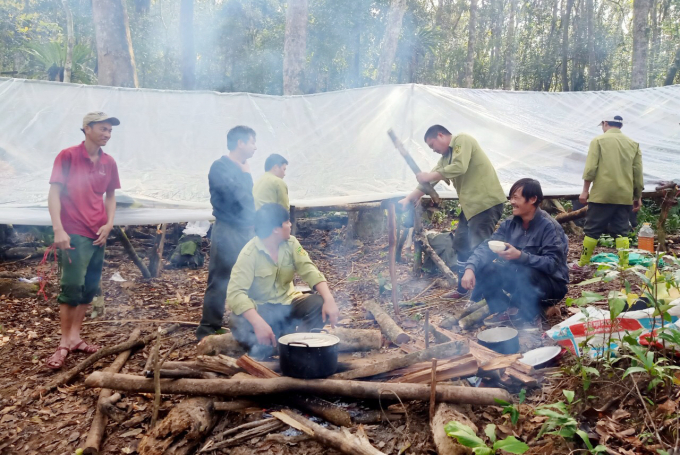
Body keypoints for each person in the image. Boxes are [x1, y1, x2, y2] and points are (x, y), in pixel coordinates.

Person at [46, 112, 121, 369]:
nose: (107, 134)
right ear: (87, 128)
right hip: (74, 229)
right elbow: (54, 193)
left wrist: (109, 224)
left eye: (110, 130)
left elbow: (110, 196)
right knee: (72, 286)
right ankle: (64, 342)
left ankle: (76, 337)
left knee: (89, 287)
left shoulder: (108, 162)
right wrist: (58, 229)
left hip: (98, 231)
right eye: (103, 129)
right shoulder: (67, 156)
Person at [399, 125, 507, 299]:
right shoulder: (446, 157)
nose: (433, 150)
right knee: (461, 245)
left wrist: (429, 176)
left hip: (485, 203)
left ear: (440, 135)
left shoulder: (462, 140)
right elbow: (429, 181)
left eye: (432, 145)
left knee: (479, 250)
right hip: (470, 207)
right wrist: (409, 198)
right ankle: (463, 290)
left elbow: (459, 167)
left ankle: (484, 294)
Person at [227, 203, 340, 357]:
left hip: (288, 306)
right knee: (237, 320)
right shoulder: (249, 254)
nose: (290, 224)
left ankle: (299, 346)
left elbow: (309, 269)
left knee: (318, 304)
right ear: (275, 229)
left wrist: (329, 299)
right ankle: (271, 346)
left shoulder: (292, 244)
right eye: (286, 222)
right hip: (263, 312)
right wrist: (257, 322)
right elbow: (235, 293)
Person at [461, 178, 569, 324]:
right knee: (485, 268)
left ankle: (526, 314)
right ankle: (503, 310)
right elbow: (486, 247)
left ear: (532, 199)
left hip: (550, 285)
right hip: (520, 280)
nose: (511, 201)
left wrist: (521, 256)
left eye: (516, 197)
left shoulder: (549, 226)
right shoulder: (510, 223)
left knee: (527, 270)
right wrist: (470, 268)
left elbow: (552, 264)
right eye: (511, 197)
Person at [196, 126, 257, 340]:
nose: (255, 148)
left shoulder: (241, 167)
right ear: (240, 143)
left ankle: (246, 324)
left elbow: (249, 202)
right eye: (252, 142)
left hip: (244, 229)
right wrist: (246, 175)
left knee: (250, 276)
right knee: (220, 278)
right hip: (227, 229)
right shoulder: (220, 167)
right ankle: (207, 329)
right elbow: (238, 197)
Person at [577, 115, 643, 267]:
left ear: (605, 123)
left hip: (602, 195)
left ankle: (583, 263)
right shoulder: (633, 144)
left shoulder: (598, 141)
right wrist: (637, 196)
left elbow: (591, 168)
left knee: (592, 230)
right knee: (621, 231)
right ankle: (624, 266)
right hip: (624, 195)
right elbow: (637, 173)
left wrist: (585, 191)